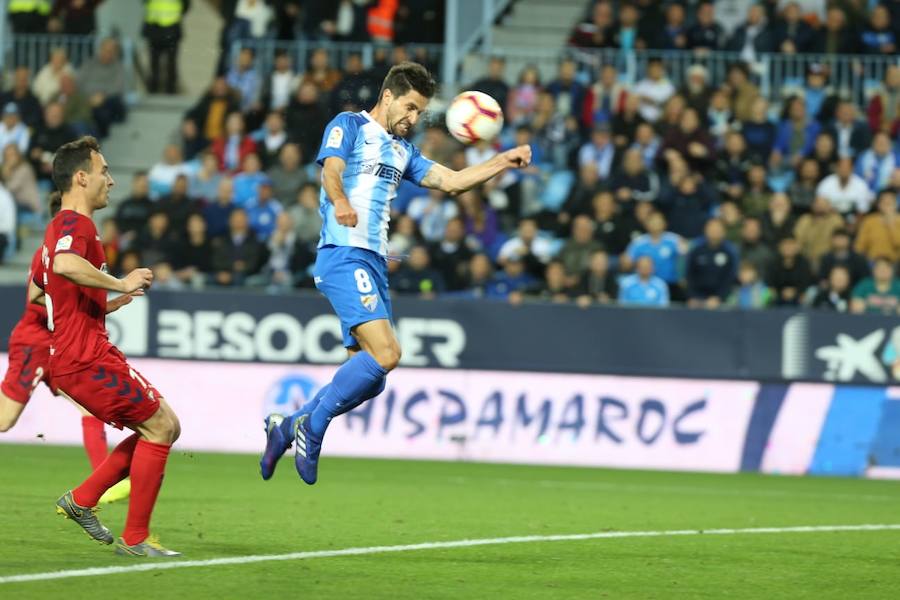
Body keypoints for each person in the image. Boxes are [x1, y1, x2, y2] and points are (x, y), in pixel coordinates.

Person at [260, 62, 532, 485]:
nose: (412, 119)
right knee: (387, 355)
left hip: (373, 263)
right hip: (344, 252)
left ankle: (285, 426)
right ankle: (311, 429)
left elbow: (454, 182)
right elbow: (331, 170)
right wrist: (341, 202)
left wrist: (501, 161)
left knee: (371, 380)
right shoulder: (349, 124)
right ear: (387, 96)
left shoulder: (404, 151)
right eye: (408, 107)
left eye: (419, 113)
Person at [35, 137, 180, 556]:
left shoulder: (62, 229)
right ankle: (134, 539)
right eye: (104, 172)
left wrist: (102, 304)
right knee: (162, 427)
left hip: (82, 353)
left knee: (164, 426)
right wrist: (120, 281)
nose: (111, 181)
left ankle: (82, 499)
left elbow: (42, 290)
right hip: (84, 359)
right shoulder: (72, 226)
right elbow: (63, 266)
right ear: (81, 177)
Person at [76, 38, 127, 138]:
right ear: (100, 49)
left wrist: (102, 96)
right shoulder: (89, 63)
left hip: (108, 100)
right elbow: (79, 82)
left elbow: (117, 87)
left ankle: (100, 136)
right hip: (89, 99)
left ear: (115, 53)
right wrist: (90, 97)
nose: (107, 53)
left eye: (111, 51)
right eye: (105, 50)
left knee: (106, 108)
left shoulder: (119, 66)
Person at [685, 218, 739, 309]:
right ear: (705, 230)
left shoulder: (730, 252)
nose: (714, 232)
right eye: (712, 229)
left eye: (717, 229)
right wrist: (692, 296)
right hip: (697, 299)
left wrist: (719, 297)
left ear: (723, 232)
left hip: (721, 301)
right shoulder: (697, 250)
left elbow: (730, 277)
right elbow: (690, 275)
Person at [143, 0, 189, 94]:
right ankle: (154, 89)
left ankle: (169, 89)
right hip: (156, 27)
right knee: (154, 62)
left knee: (170, 63)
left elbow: (186, 5)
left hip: (170, 27)